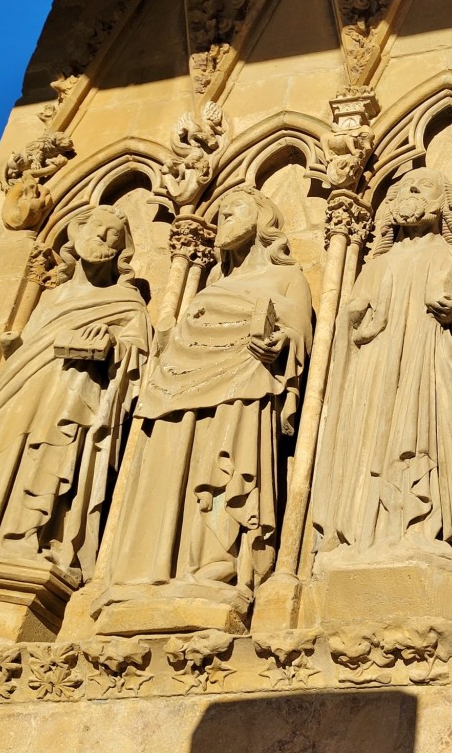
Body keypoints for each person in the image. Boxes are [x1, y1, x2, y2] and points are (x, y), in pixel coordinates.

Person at [103, 187, 312, 597]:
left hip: (243, 385)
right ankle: (154, 567)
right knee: (172, 466)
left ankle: (217, 563)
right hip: (178, 388)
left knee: (224, 465)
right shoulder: (210, 287)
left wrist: (281, 341)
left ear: (261, 220)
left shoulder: (288, 278)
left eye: (233, 211)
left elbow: (300, 334)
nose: (222, 220)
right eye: (220, 214)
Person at [0, 205, 151, 582]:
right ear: (76, 234)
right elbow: (31, 346)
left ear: (121, 251)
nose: (102, 237)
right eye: (96, 227)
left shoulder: (126, 303)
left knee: (46, 454)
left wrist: (111, 344)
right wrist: (16, 347)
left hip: (71, 392)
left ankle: (27, 538)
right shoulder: (49, 298)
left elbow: (137, 355)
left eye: (112, 234)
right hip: (16, 390)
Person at [311, 168, 452, 578]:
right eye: (403, 188)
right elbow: (348, 330)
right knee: (369, 444)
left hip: (432, 368)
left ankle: (427, 532)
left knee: (432, 441)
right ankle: (365, 535)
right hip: (376, 375)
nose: (410, 190)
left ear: (443, 204)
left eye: (423, 186)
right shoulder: (376, 265)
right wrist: (355, 322)